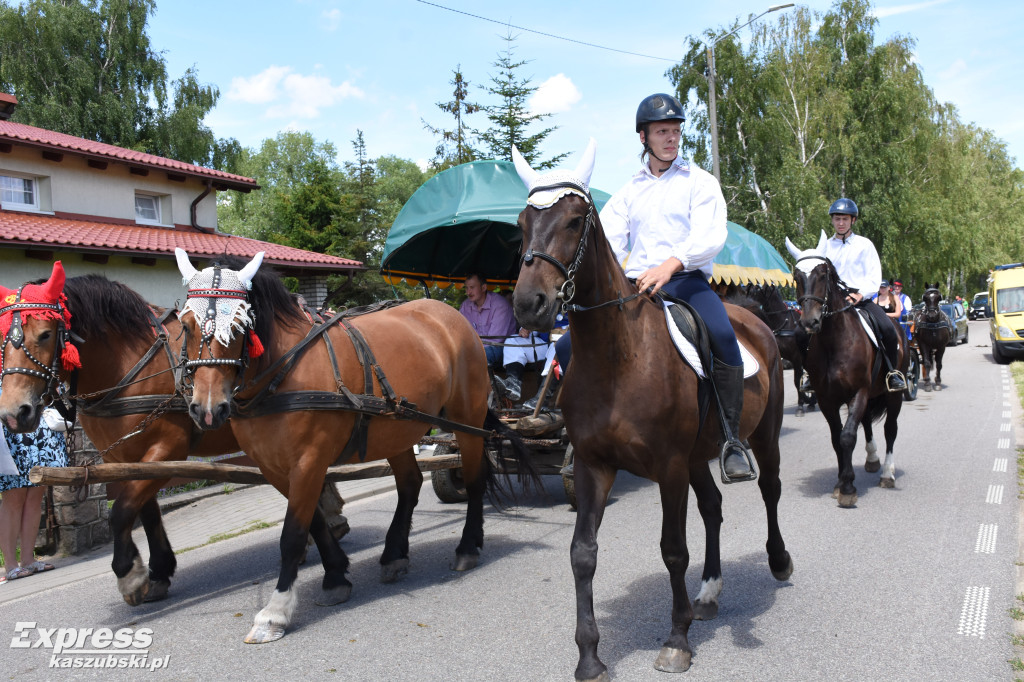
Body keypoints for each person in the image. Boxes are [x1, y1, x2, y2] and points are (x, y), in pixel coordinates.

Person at [595, 92, 754, 483]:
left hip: (685, 281)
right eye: (662, 131)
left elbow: (712, 236)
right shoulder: (628, 191)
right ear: (643, 138)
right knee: (571, 344)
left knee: (722, 336)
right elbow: (607, 243)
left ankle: (732, 439)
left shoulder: (700, 182)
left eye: (676, 130)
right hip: (638, 287)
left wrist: (671, 263)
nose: (671, 138)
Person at [818, 198, 906, 391]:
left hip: (860, 301)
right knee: (803, 332)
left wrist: (859, 295)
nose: (840, 223)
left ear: (853, 221)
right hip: (832, 304)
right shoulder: (824, 247)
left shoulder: (864, 245)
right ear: (832, 221)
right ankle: (810, 374)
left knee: (889, 330)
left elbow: (874, 277)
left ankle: (892, 373)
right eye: (837, 219)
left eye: (844, 219)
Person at [0, 403, 67, 583]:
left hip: (37, 420)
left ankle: (28, 560)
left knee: (36, 495)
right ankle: (11, 565)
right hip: (10, 421)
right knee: (14, 495)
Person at [458, 273, 517, 369]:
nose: (468, 292)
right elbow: (460, 332)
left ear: (484, 287)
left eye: (472, 287)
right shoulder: (465, 306)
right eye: (466, 288)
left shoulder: (500, 305)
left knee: (475, 358)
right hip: (475, 348)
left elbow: (494, 340)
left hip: (501, 347)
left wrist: (470, 349)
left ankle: (476, 383)